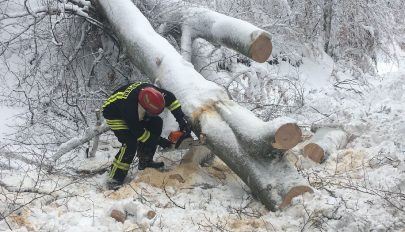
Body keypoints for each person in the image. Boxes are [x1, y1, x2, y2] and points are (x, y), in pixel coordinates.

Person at [102, 81, 191, 190]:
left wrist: (181, 121)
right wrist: (160, 141)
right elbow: (140, 134)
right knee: (130, 143)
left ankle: (145, 161)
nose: (151, 116)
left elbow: (172, 100)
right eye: (151, 113)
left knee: (156, 122)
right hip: (114, 113)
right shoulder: (130, 109)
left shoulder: (157, 95)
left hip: (134, 107)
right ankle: (114, 178)